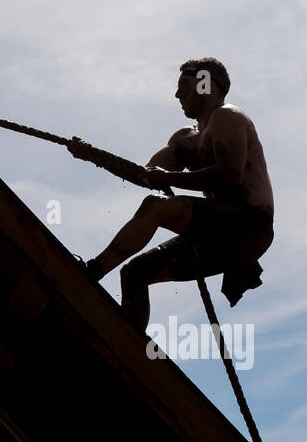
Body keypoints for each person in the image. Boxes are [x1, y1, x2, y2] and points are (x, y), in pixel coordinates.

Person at [67, 58, 275, 334]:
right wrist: (93, 156)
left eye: (184, 86)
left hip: (248, 228)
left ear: (205, 83)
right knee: (135, 274)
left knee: (157, 206)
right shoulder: (185, 139)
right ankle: (130, 347)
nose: (178, 95)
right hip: (213, 231)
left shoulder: (228, 116)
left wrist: (168, 179)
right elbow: (146, 175)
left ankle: (93, 271)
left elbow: (230, 175)